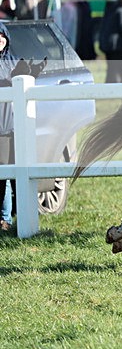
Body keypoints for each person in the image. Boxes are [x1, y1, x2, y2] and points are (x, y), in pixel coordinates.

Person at [0, 23, 46, 231]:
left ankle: (25, 216)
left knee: (21, 173)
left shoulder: (12, 60)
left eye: (2, 35)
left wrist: (32, 74)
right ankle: (5, 219)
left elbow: (23, 86)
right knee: (4, 176)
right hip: (1, 128)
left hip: (15, 126)